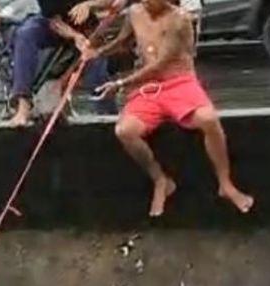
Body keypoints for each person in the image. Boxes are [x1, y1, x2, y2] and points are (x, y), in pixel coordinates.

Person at [85, 0, 253, 216]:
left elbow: (160, 64)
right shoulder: (135, 12)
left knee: (209, 119)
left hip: (179, 82)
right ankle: (160, 179)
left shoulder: (179, 19)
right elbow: (123, 41)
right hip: (149, 88)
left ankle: (226, 184)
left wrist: (119, 84)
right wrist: (96, 52)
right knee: (125, 131)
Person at [7, 0, 116, 125]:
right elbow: (55, 22)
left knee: (95, 62)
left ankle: (109, 114)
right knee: (25, 33)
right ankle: (23, 107)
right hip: (53, 25)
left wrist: (89, 4)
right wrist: (75, 36)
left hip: (87, 26)